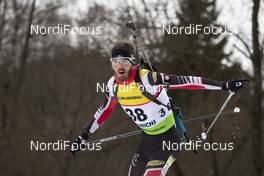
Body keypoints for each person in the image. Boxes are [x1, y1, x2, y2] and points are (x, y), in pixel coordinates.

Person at [69, 40, 245, 176]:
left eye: (124, 60)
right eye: (115, 61)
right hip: (147, 142)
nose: (119, 65)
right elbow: (104, 111)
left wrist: (223, 85)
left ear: (132, 62)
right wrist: (83, 136)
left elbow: (185, 81)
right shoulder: (112, 85)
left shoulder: (147, 79)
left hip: (168, 139)